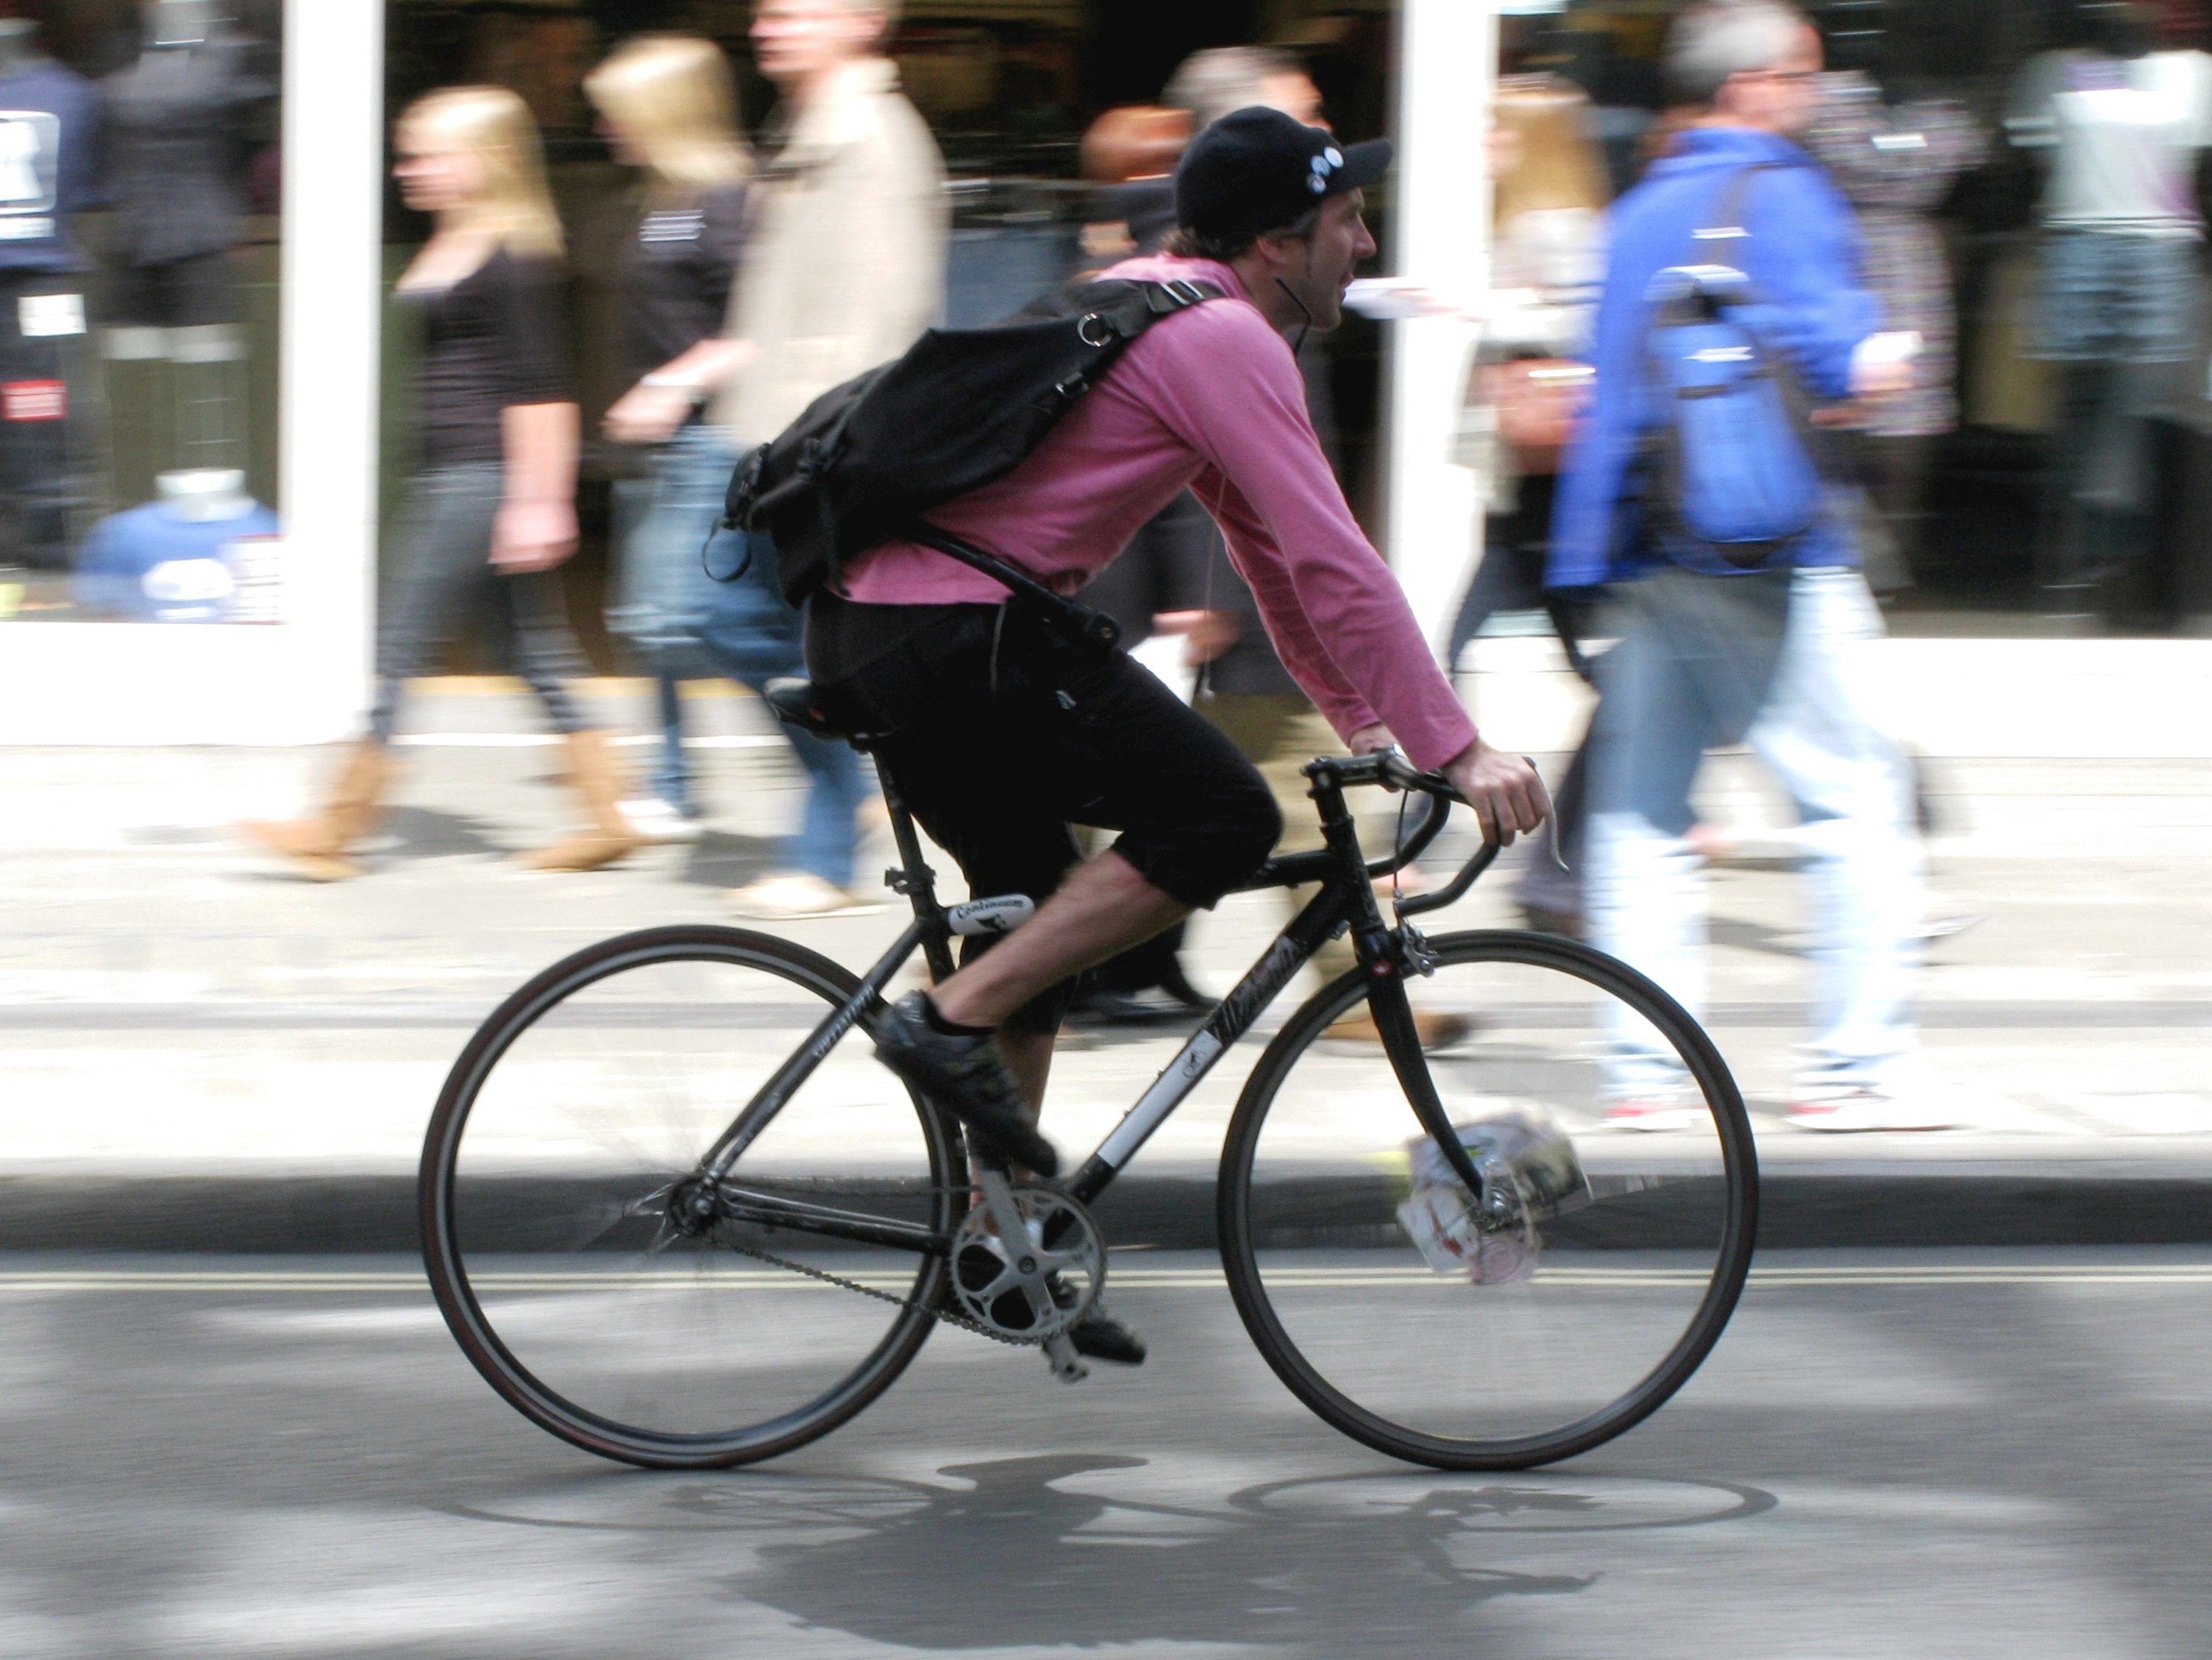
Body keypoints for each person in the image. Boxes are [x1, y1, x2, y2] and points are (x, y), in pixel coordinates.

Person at [808, 107, 1546, 1366]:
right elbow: (1338, 556)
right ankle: (946, 1019)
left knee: (1038, 917)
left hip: (885, 631)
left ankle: (1000, 1251)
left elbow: (1274, 563)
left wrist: (1370, 725)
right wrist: (1458, 746)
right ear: (1273, 243)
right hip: (958, 637)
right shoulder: (1220, 339)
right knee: (1218, 818)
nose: (1363, 248)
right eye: (1344, 225)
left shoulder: (1152, 305)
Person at [1549, 0, 1940, 1133]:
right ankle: (1852, 1063)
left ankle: (1640, 1074)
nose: (1809, 101)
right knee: (1854, 791)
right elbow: (1837, 354)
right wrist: (1882, 360)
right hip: (1762, 544)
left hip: (1641, 539)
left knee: (1638, 813)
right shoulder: (1777, 190)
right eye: (1801, 78)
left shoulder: (1635, 207)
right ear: (1751, 87)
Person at [243, 85, 633, 880]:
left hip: (479, 475)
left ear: (487, 161)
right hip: (458, 469)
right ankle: (609, 816)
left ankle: (337, 827)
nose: (406, 168)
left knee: (399, 639)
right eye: (406, 152)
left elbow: (541, 387)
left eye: (426, 154)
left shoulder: (511, 257)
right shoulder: (461, 241)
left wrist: (540, 500)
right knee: (527, 648)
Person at [711, 0, 945, 920]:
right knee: (738, 624)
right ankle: (847, 807)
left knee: (752, 626)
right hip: (768, 436)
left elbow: (878, 318)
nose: (771, 24)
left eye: (799, 10)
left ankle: (837, 822)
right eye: (766, 11)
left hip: (803, 450)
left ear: (865, 19)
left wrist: (812, 455)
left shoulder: (871, 139)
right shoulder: (813, 130)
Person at [1445, 73, 1609, 937]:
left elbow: (1583, 341)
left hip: (1552, 497)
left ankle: (1551, 873)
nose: (1484, 145)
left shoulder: (1561, 229)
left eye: (1495, 130)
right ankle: (1554, 876)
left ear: (1531, 140)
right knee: (1616, 683)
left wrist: (1488, 312)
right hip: (1530, 495)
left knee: (1443, 659)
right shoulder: (1524, 224)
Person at [587, 34, 753, 845]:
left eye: (617, 112)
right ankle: (671, 783)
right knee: (643, 622)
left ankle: (832, 759)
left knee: (686, 619)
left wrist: (668, 386)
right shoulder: (659, 198)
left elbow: (757, 327)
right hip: (655, 444)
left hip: (706, 440)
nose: (605, 127)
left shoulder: (728, 202)